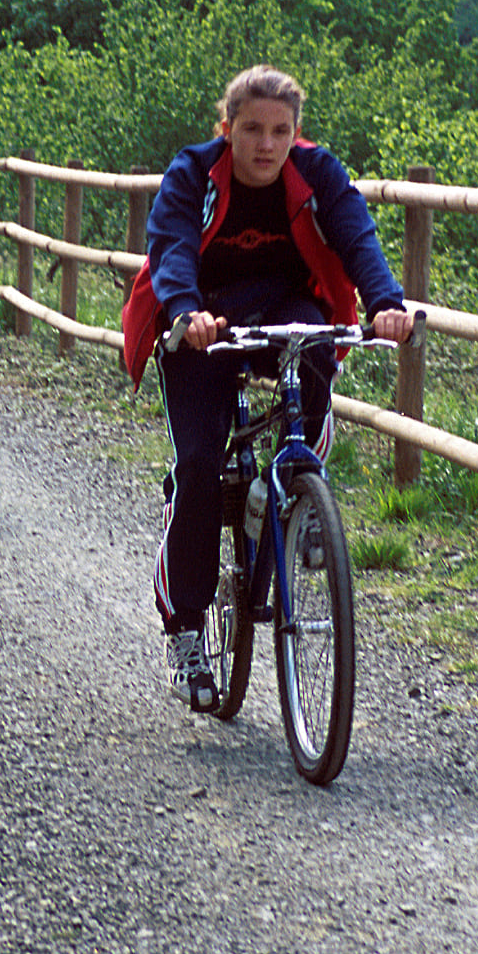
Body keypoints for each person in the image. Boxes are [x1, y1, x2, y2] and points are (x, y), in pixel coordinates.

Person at [119, 65, 414, 713]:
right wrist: (183, 312)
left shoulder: (318, 172)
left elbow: (357, 236)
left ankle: (298, 489)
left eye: (280, 130)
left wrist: (386, 302)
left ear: (295, 133)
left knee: (315, 360)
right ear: (227, 129)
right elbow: (171, 246)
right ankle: (186, 626)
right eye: (251, 128)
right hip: (201, 320)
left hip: (285, 307)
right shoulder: (194, 172)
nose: (265, 143)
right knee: (197, 466)